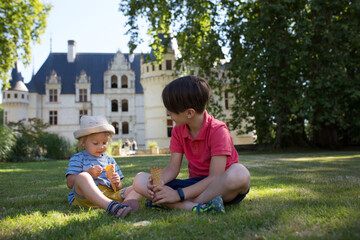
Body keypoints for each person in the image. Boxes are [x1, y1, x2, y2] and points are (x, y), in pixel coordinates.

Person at [133, 75, 250, 214]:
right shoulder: (178, 130)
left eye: (171, 109)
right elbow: (173, 167)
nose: (168, 112)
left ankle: (183, 204)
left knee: (240, 173)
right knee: (140, 179)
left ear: (189, 113)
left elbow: (215, 177)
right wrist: (161, 181)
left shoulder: (218, 131)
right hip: (194, 185)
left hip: (219, 186)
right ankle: (198, 207)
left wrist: (178, 195)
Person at [66, 115, 141, 218]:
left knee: (138, 187)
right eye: (95, 143)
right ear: (83, 142)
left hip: (109, 195)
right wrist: (88, 172)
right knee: (83, 176)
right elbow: (70, 183)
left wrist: (117, 182)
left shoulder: (110, 160)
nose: (101, 147)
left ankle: (124, 206)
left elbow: (118, 188)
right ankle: (111, 207)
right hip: (85, 197)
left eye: (104, 143)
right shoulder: (78, 158)